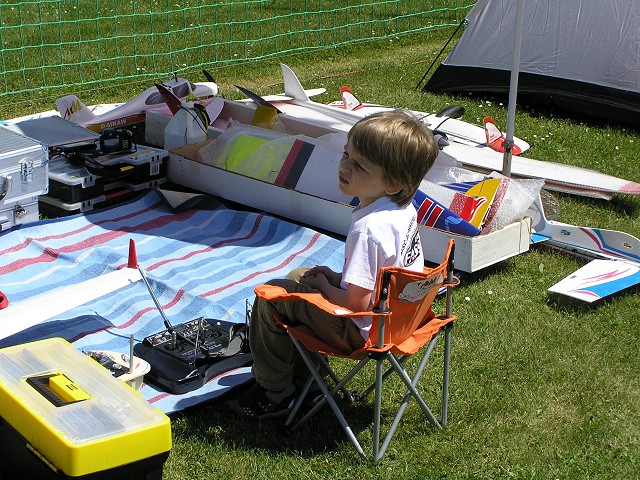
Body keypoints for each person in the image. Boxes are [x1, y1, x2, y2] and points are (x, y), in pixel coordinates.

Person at [227, 110, 440, 420]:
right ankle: (309, 381)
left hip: (362, 330)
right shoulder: (403, 211)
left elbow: (357, 303)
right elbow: (384, 276)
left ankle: (275, 391)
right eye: (346, 155)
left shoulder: (368, 229)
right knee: (300, 277)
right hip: (399, 319)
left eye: (359, 166)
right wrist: (333, 277)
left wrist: (326, 287)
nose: (345, 167)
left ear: (393, 183)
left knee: (271, 297)